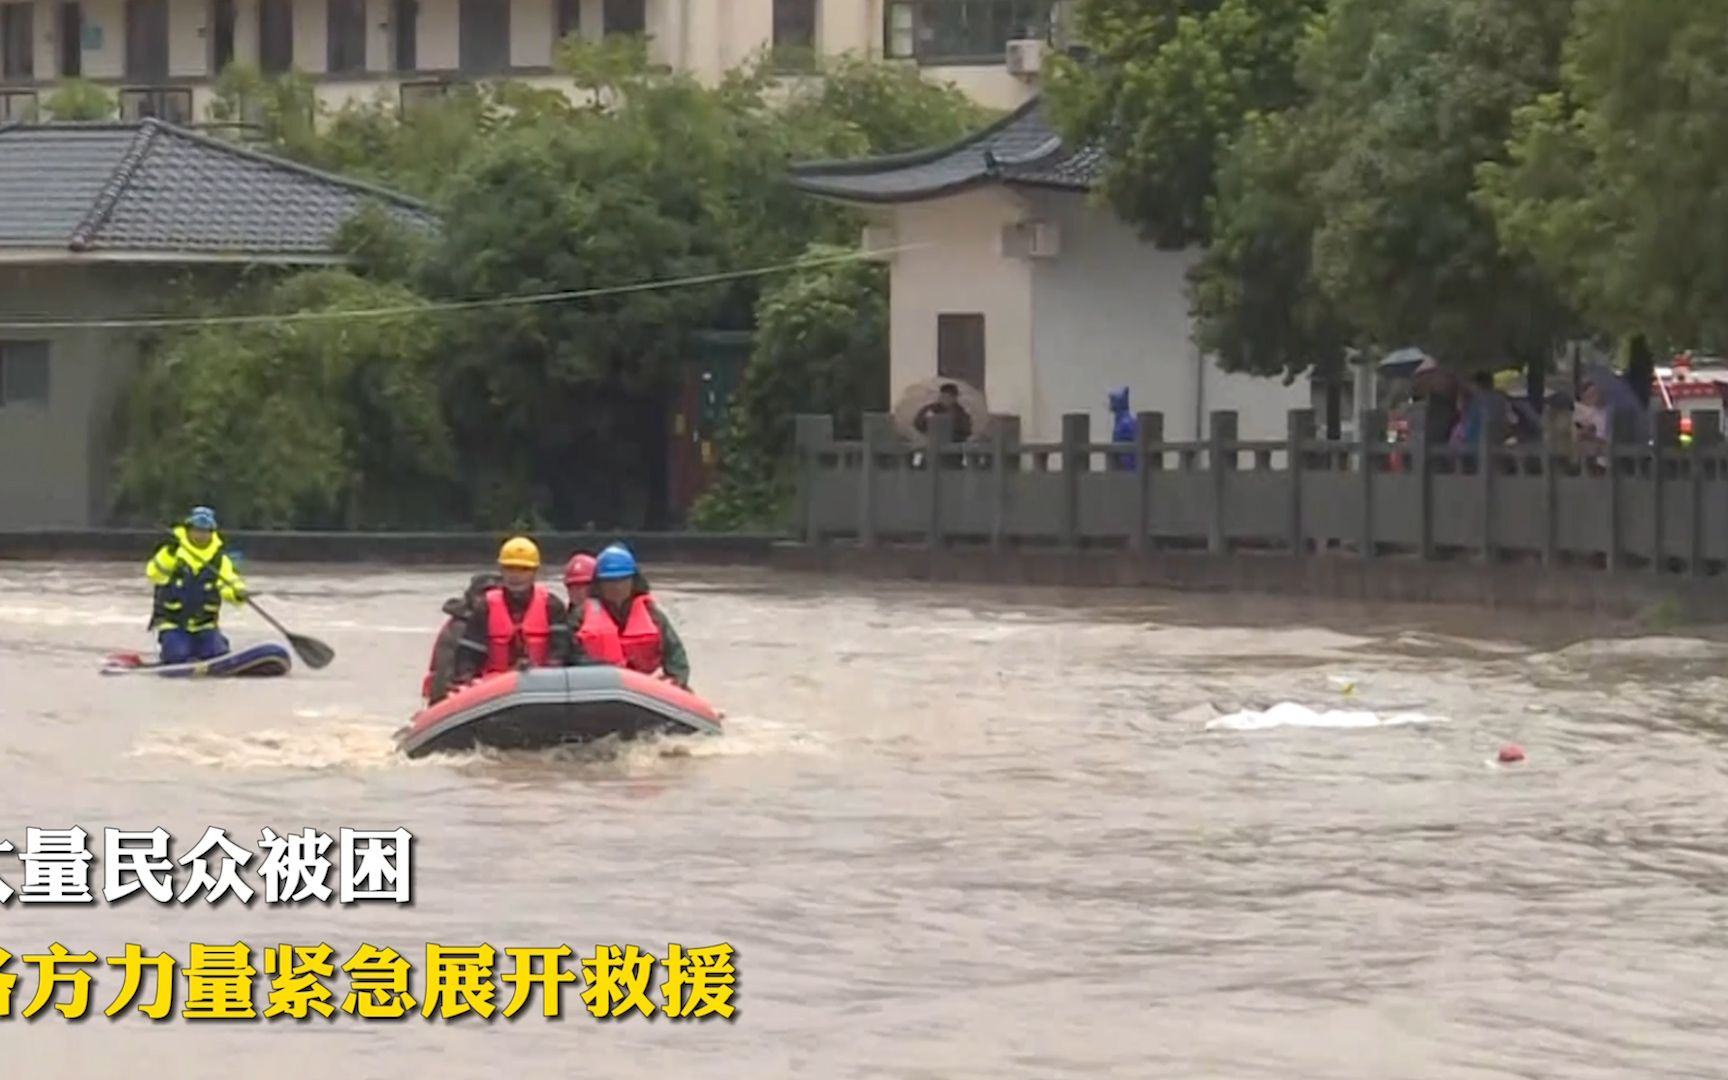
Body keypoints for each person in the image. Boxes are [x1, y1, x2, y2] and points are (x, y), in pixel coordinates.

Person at [450, 537, 570, 685]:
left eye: (523, 569)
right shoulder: (484, 607)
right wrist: (467, 681)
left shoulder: (552, 606)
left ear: (535, 572)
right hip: (494, 687)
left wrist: (546, 675)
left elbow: (561, 651)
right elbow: (468, 656)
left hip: (541, 685)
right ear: (501, 570)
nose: (516, 575)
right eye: (510, 568)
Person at [571, 543, 691, 688]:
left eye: (622, 580)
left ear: (634, 581)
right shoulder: (580, 616)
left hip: (647, 688)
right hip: (598, 687)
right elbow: (570, 656)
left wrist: (675, 681)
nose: (617, 587)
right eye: (609, 581)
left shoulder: (653, 615)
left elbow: (676, 658)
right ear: (599, 584)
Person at [145, 505, 248, 664]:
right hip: (173, 624)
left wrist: (238, 593)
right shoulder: (172, 551)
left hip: (204, 625)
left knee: (217, 654)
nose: (201, 535)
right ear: (189, 529)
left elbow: (229, 582)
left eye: (205, 531)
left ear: (212, 533)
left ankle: (217, 644)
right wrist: (169, 555)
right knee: (177, 655)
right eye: (197, 530)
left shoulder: (220, 560)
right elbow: (154, 574)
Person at [420, 571, 500, 703]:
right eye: (483, 594)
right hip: (461, 694)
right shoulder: (459, 628)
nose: (486, 599)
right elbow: (445, 667)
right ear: (471, 596)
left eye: (493, 594)